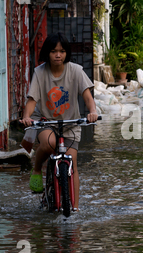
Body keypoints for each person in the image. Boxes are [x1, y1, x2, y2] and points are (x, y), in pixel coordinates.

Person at [19, 32, 98, 211]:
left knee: (73, 163)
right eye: (54, 51)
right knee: (49, 144)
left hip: (71, 124)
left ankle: (75, 208)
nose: (58, 55)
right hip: (46, 122)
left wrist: (93, 112)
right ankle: (38, 169)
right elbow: (32, 100)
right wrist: (27, 117)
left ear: (66, 53)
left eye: (62, 51)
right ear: (47, 52)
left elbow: (87, 96)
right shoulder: (39, 72)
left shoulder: (76, 71)